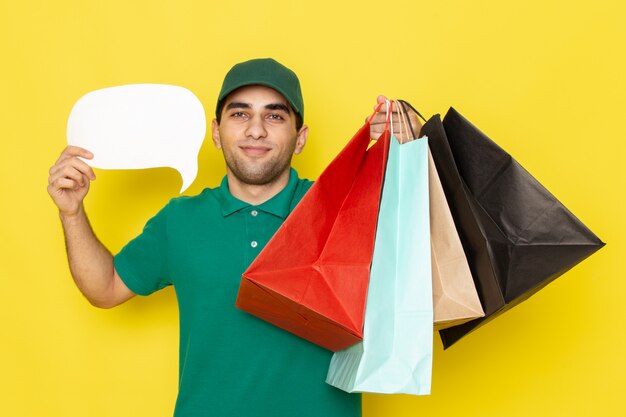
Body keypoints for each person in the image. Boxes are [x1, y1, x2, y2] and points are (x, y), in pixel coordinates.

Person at [47, 58, 422, 417]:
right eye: (240, 114)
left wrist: (412, 155)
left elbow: (421, 275)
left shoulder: (345, 208)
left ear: (300, 138)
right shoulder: (180, 220)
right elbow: (106, 287)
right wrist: (72, 213)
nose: (255, 129)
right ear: (215, 132)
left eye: (274, 115)